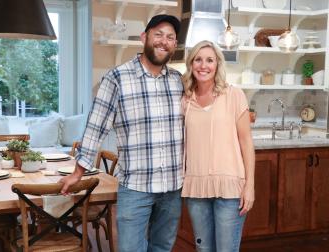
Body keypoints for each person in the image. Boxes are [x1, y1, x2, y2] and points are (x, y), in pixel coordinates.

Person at [59, 14, 184, 252]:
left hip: (172, 187)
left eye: (170, 37)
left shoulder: (178, 81)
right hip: (136, 187)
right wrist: (78, 172)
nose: (163, 41)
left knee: (162, 248)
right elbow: (96, 127)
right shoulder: (117, 78)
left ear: (174, 45)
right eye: (158, 34)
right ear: (144, 37)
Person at [181, 40, 255, 252]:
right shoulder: (186, 100)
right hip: (196, 189)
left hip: (230, 189)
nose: (203, 65)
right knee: (204, 250)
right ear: (191, 64)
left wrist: (249, 186)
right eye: (198, 59)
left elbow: (246, 142)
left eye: (209, 60)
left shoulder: (233, 95)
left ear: (217, 65)